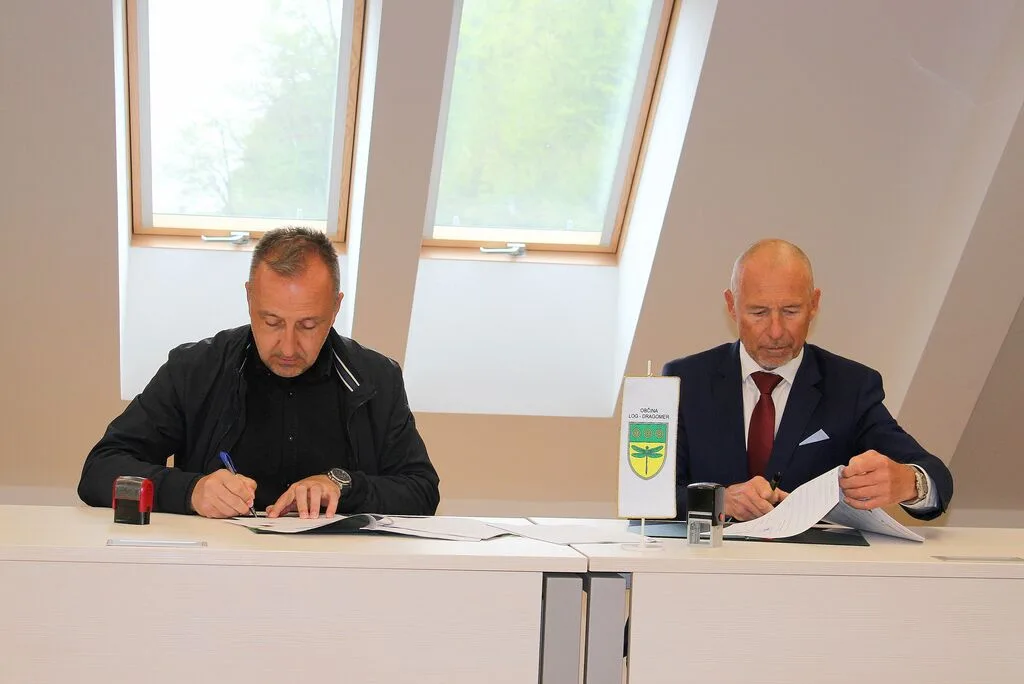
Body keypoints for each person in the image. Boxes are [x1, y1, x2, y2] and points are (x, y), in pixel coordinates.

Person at [79, 227, 440, 519]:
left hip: (339, 573)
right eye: (271, 322)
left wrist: (343, 485)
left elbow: (422, 491)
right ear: (250, 298)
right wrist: (191, 491)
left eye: (308, 325)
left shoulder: (377, 379)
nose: (288, 347)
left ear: (335, 307)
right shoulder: (195, 370)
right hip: (216, 570)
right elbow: (100, 469)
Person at [662, 239, 952, 521]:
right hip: (712, 554)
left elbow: (936, 475)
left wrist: (909, 483)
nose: (776, 331)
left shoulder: (851, 387)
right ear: (731, 305)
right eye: (759, 312)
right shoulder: (685, 381)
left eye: (791, 311)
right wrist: (718, 500)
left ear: (814, 304)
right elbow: (651, 495)